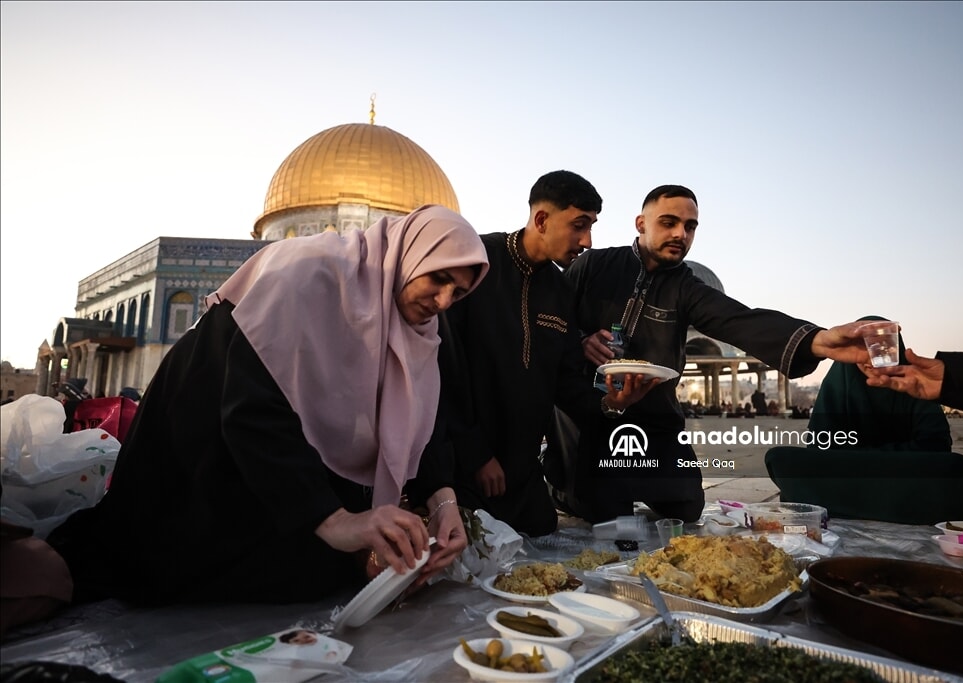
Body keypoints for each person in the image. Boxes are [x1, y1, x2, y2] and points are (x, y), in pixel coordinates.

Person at [48, 205, 490, 605]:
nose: (444, 301)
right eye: (439, 278)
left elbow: (417, 411)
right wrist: (334, 520)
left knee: (312, 576)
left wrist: (442, 500)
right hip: (204, 449)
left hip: (274, 467)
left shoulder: (420, 327)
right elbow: (253, 407)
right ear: (410, 254)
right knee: (168, 570)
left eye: (460, 292)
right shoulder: (308, 273)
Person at [545, 184, 875, 524]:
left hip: (653, 414)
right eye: (669, 222)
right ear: (641, 224)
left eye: (690, 227)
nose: (680, 234)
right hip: (589, 412)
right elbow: (550, 315)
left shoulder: (685, 287)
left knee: (686, 506)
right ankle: (561, 484)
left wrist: (818, 340)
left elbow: (739, 319)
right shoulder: (595, 266)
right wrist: (580, 338)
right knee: (601, 509)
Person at [433, 171, 655, 537]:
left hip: (520, 471)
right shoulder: (476, 261)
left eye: (591, 227)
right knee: (468, 551)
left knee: (541, 533)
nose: (587, 241)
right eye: (579, 226)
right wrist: (476, 456)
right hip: (466, 465)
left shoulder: (559, 290)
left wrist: (611, 403)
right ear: (541, 220)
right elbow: (443, 371)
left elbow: (565, 380)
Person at [807, 316, 953, 452]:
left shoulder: (915, 385)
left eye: (882, 350)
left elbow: (937, 444)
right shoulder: (837, 385)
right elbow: (819, 447)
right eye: (863, 350)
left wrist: (860, 459)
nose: (872, 360)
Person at [864, 350, 963, 419]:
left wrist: (949, 380)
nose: (873, 360)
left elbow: (934, 444)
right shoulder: (839, 398)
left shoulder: (919, 400)